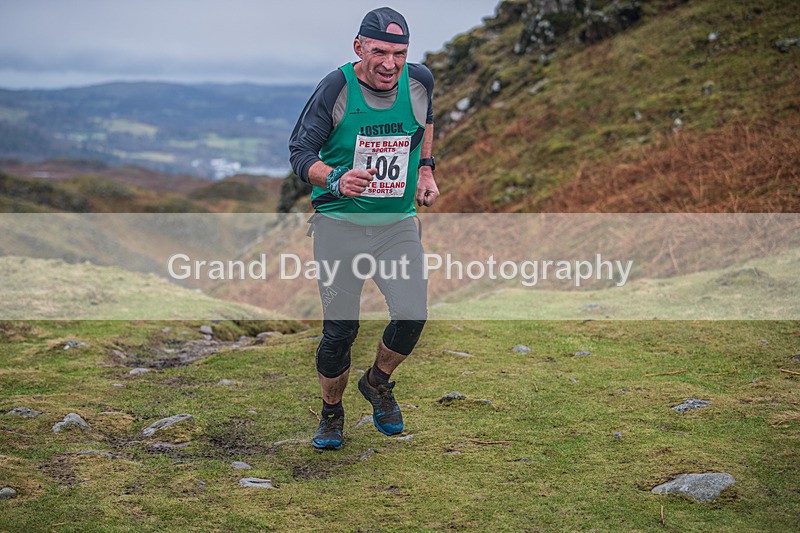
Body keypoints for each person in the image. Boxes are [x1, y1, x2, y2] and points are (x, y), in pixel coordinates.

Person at [289, 6, 439, 450]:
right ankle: (331, 413)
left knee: (413, 314)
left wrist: (426, 170)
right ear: (359, 47)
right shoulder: (336, 87)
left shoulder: (420, 81)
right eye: (379, 51)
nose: (390, 63)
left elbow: (425, 121)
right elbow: (300, 153)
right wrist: (335, 178)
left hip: (396, 225)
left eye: (399, 52)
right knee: (340, 331)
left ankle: (377, 383)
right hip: (339, 226)